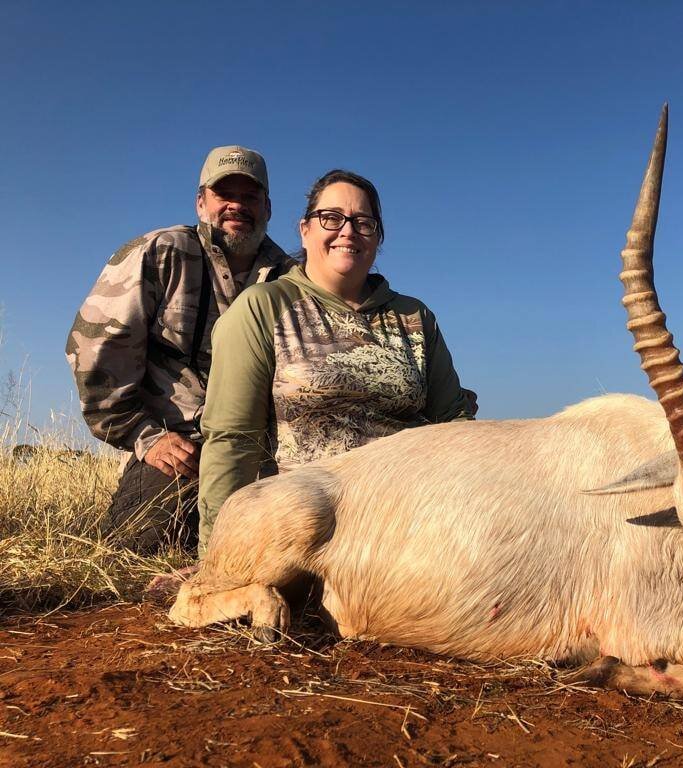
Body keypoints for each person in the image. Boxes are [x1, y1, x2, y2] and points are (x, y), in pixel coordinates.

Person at [198, 168, 477, 555]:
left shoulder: (415, 316)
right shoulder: (263, 307)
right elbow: (232, 440)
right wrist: (216, 556)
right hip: (307, 529)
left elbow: (456, 427)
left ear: (377, 238)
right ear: (305, 229)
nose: (348, 231)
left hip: (414, 526)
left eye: (363, 222)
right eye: (331, 218)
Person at [67, 146, 294, 554]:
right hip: (178, 447)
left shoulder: (293, 277)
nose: (236, 205)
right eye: (225, 194)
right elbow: (94, 349)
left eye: (249, 196)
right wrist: (143, 434)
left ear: (268, 207)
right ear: (201, 201)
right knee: (144, 552)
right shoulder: (159, 252)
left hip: (264, 452)